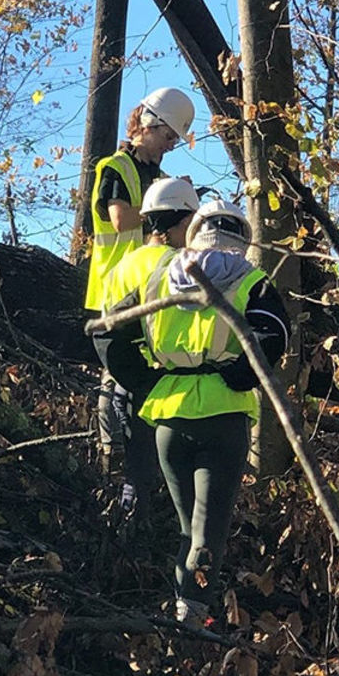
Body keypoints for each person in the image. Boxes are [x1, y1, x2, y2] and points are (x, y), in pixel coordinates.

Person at [94, 200, 290, 625]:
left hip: (168, 415)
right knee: (208, 529)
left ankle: (183, 603)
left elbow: (109, 333)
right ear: (244, 236)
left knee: (188, 526)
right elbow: (276, 333)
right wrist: (242, 375)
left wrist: (145, 380)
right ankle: (192, 618)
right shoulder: (251, 279)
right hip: (224, 415)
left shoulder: (160, 277)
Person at [84, 87, 195, 503]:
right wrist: (162, 207)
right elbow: (118, 219)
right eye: (168, 137)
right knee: (116, 380)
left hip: (152, 291)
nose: (170, 147)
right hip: (116, 290)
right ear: (148, 124)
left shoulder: (159, 176)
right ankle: (112, 459)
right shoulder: (117, 166)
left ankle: (141, 466)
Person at [98, 177, 200, 517]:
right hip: (158, 383)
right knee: (162, 478)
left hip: (118, 379)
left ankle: (125, 541)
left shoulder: (121, 266)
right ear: (184, 221)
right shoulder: (178, 267)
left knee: (130, 472)